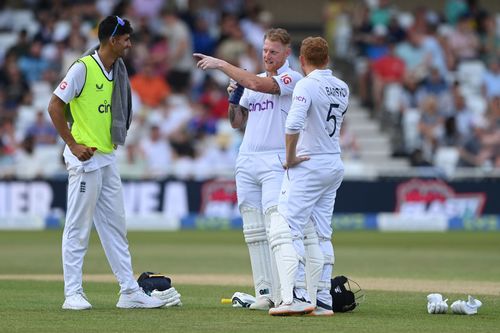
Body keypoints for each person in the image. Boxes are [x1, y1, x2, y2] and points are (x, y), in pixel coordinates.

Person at [47, 16, 167, 310]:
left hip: (107, 156)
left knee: (115, 226)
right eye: (125, 39)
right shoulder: (83, 68)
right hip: (85, 160)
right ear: (112, 40)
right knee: (77, 227)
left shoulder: (117, 69)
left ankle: (128, 290)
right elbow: (54, 106)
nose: (129, 44)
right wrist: (73, 145)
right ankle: (72, 293)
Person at [194, 28, 303, 310]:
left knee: (275, 226)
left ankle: (286, 292)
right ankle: (265, 292)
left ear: (286, 53)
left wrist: (222, 66)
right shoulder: (253, 81)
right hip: (247, 158)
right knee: (253, 230)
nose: (267, 56)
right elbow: (236, 121)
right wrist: (234, 94)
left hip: (275, 159)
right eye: (265, 50)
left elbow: (258, 85)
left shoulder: (292, 79)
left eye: (273, 52)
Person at [268, 37, 349, 316]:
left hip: (309, 164)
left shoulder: (305, 84)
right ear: (326, 58)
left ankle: (297, 295)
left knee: (287, 228)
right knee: (322, 233)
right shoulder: (342, 87)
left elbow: (293, 123)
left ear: (302, 60)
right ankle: (324, 298)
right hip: (333, 162)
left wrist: (290, 158)